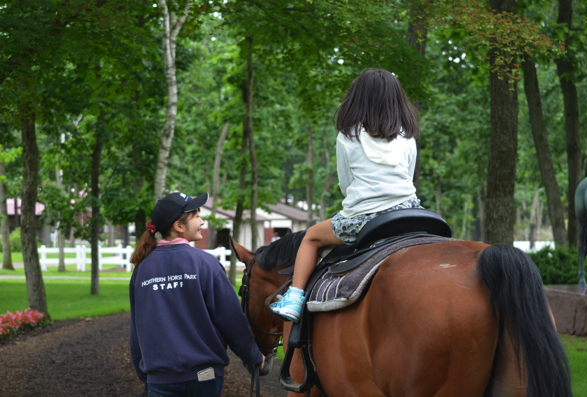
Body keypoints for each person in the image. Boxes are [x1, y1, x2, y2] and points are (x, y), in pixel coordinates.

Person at [270, 68, 422, 322]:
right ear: (396, 100)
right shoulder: (407, 136)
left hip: (364, 218)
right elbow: (408, 175)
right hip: (409, 211)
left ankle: (295, 298)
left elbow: (346, 182)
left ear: (358, 99)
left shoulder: (347, 135)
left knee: (310, 238)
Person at [129, 192, 264, 397]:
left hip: (159, 381)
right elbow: (231, 318)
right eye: (196, 216)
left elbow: (137, 327)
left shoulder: (142, 269)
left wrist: (145, 373)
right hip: (204, 379)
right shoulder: (206, 264)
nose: (202, 221)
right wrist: (253, 356)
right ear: (179, 226)